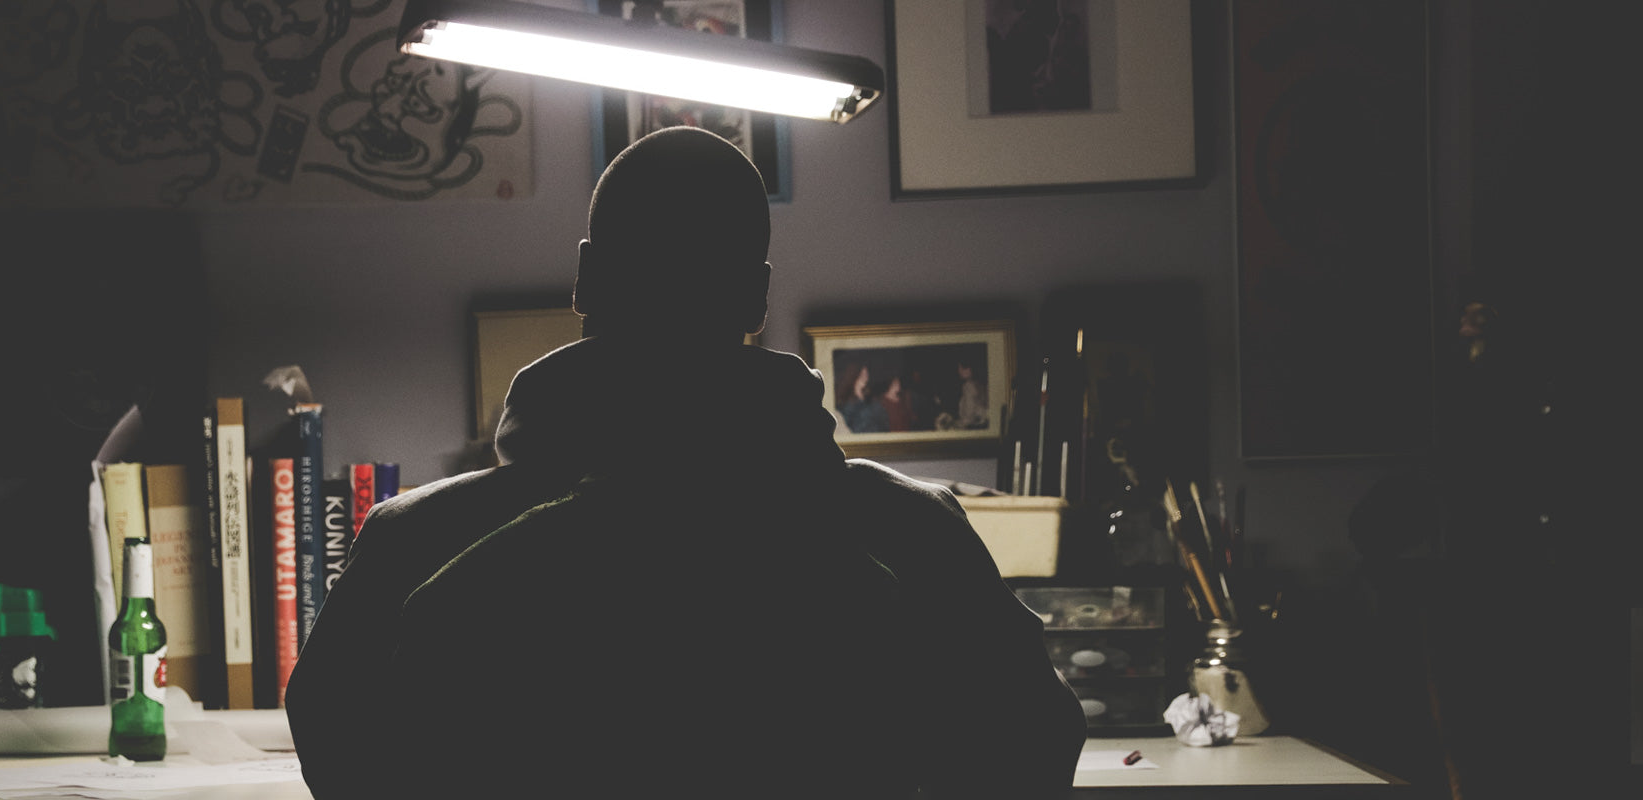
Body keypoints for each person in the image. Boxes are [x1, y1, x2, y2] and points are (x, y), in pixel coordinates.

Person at [287, 127, 1084, 799]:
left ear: (586, 278)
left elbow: (340, 752)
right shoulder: (918, 535)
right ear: (756, 298)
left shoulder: (411, 544)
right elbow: (1034, 753)